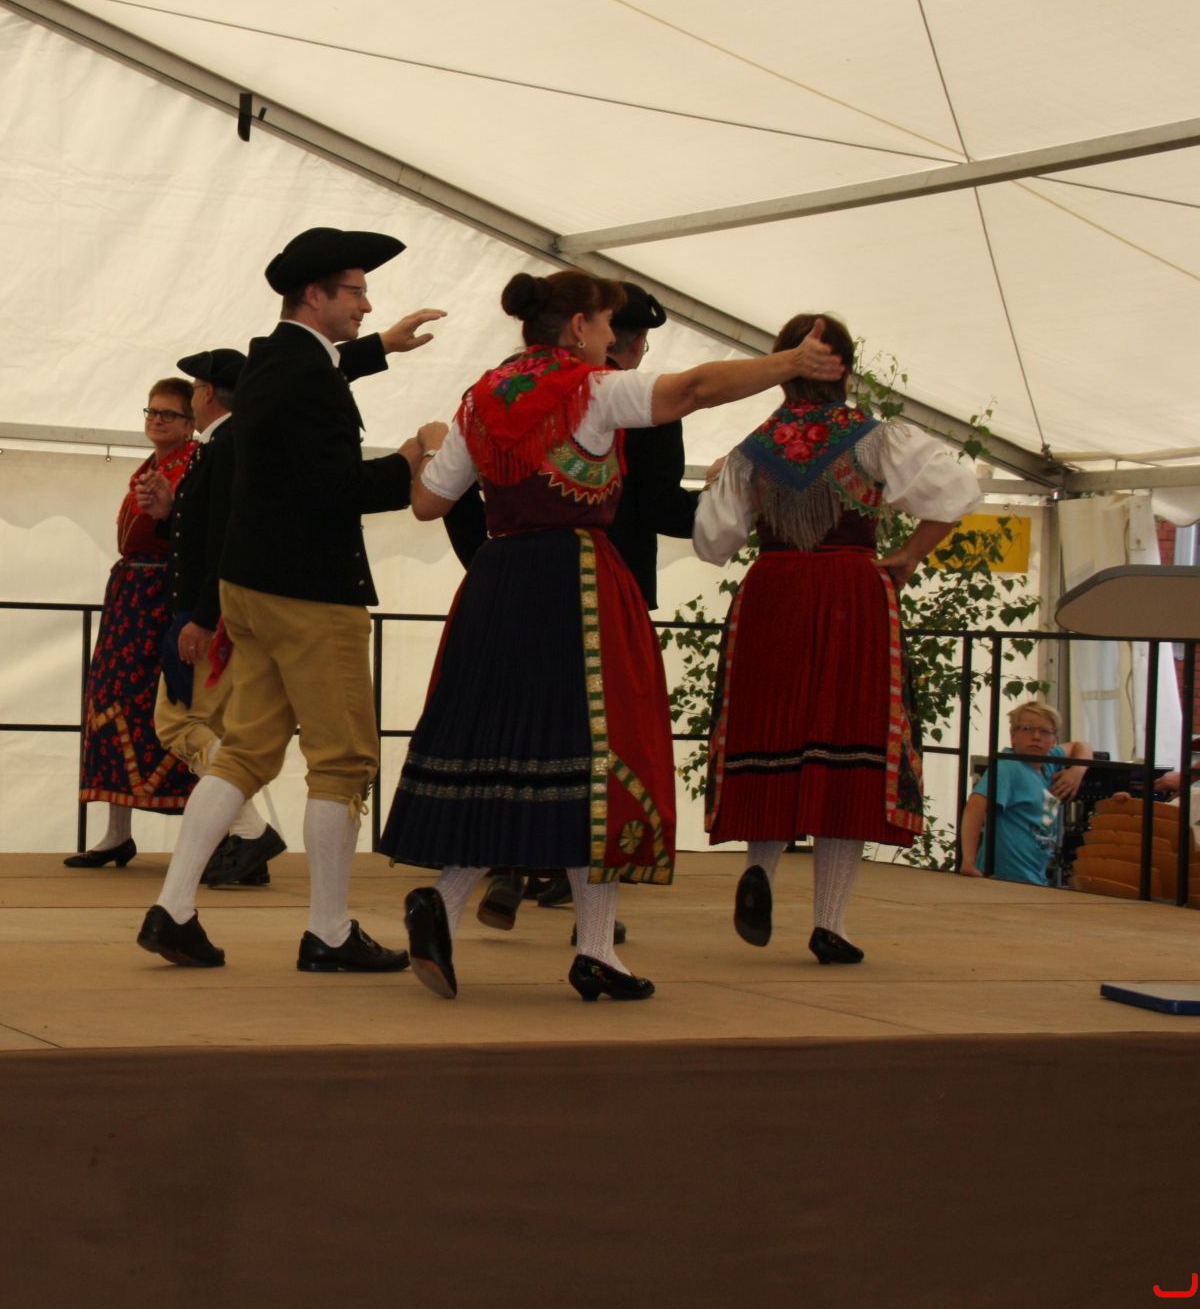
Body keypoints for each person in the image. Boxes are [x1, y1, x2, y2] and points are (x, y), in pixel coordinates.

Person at [385, 269, 844, 1002]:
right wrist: (788, 363)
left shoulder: (481, 399)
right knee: (603, 756)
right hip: (576, 584)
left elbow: (429, 503)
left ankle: (458, 905)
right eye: (604, 324)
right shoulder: (592, 389)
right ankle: (587, 945)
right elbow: (693, 389)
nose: (609, 338)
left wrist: (438, 444)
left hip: (497, 587)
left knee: (511, 753)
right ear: (578, 327)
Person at [135, 226, 441, 973]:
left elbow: (317, 375)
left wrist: (383, 348)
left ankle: (174, 909)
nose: (367, 305)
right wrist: (411, 457)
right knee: (341, 761)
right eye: (357, 292)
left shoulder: (271, 357)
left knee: (244, 751)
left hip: (251, 589)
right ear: (315, 294)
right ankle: (328, 932)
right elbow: (336, 486)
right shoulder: (306, 374)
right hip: (311, 594)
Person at [694, 312, 979, 964]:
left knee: (768, 732)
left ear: (783, 368)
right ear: (845, 367)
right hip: (852, 593)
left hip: (773, 593)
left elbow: (713, 542)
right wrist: (908, 555)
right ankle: (831, 923)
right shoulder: (876, 439)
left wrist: (718, 484)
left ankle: (760, 871)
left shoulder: (750, 450)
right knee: (850, 741)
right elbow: (958, 489)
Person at [463, 280, 691, 932]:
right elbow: (660, 504)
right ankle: (590, 916)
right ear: (615, 335)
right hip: (604, 588)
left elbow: (455, 490)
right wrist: (730, 511)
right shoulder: (633, 397)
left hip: (514, 584)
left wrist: (485, 559)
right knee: (599, 740)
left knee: (525, 728)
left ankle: (509, 868)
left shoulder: (505, 387)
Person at [129, 348, 284, 886]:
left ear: (208, 394)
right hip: (215, 608)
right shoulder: (226, 446)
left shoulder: (226, 447)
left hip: (209, 612)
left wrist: (202, 616)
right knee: (213, 726)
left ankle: (249, 831)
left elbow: (223, 539)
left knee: (177, 723)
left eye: (194, 388)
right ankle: (239, 845)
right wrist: (171, 512)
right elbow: (206, 529)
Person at [65, 378, 203, 862]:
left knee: (171, 704)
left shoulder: (195, 466)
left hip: (165, 595)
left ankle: (218, 833)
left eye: (169, 414)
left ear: (190, 423)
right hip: (131, 595)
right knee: (112, 699)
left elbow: (192, 533)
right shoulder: (150, 467)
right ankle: (117, 831)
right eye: (152, 411)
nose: (157, 420)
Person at [959, 700, 1093, 884]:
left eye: (1044, 731)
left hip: (1035, 879)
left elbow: (1082, 746)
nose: (1036, 737)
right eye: (1028, 729)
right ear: (1013, 735)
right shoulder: (1008, 766)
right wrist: (968, 862)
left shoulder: (1049, 762)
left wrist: (1077, 771)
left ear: (1054, 740)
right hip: (1006, 879)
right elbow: (975, 806)